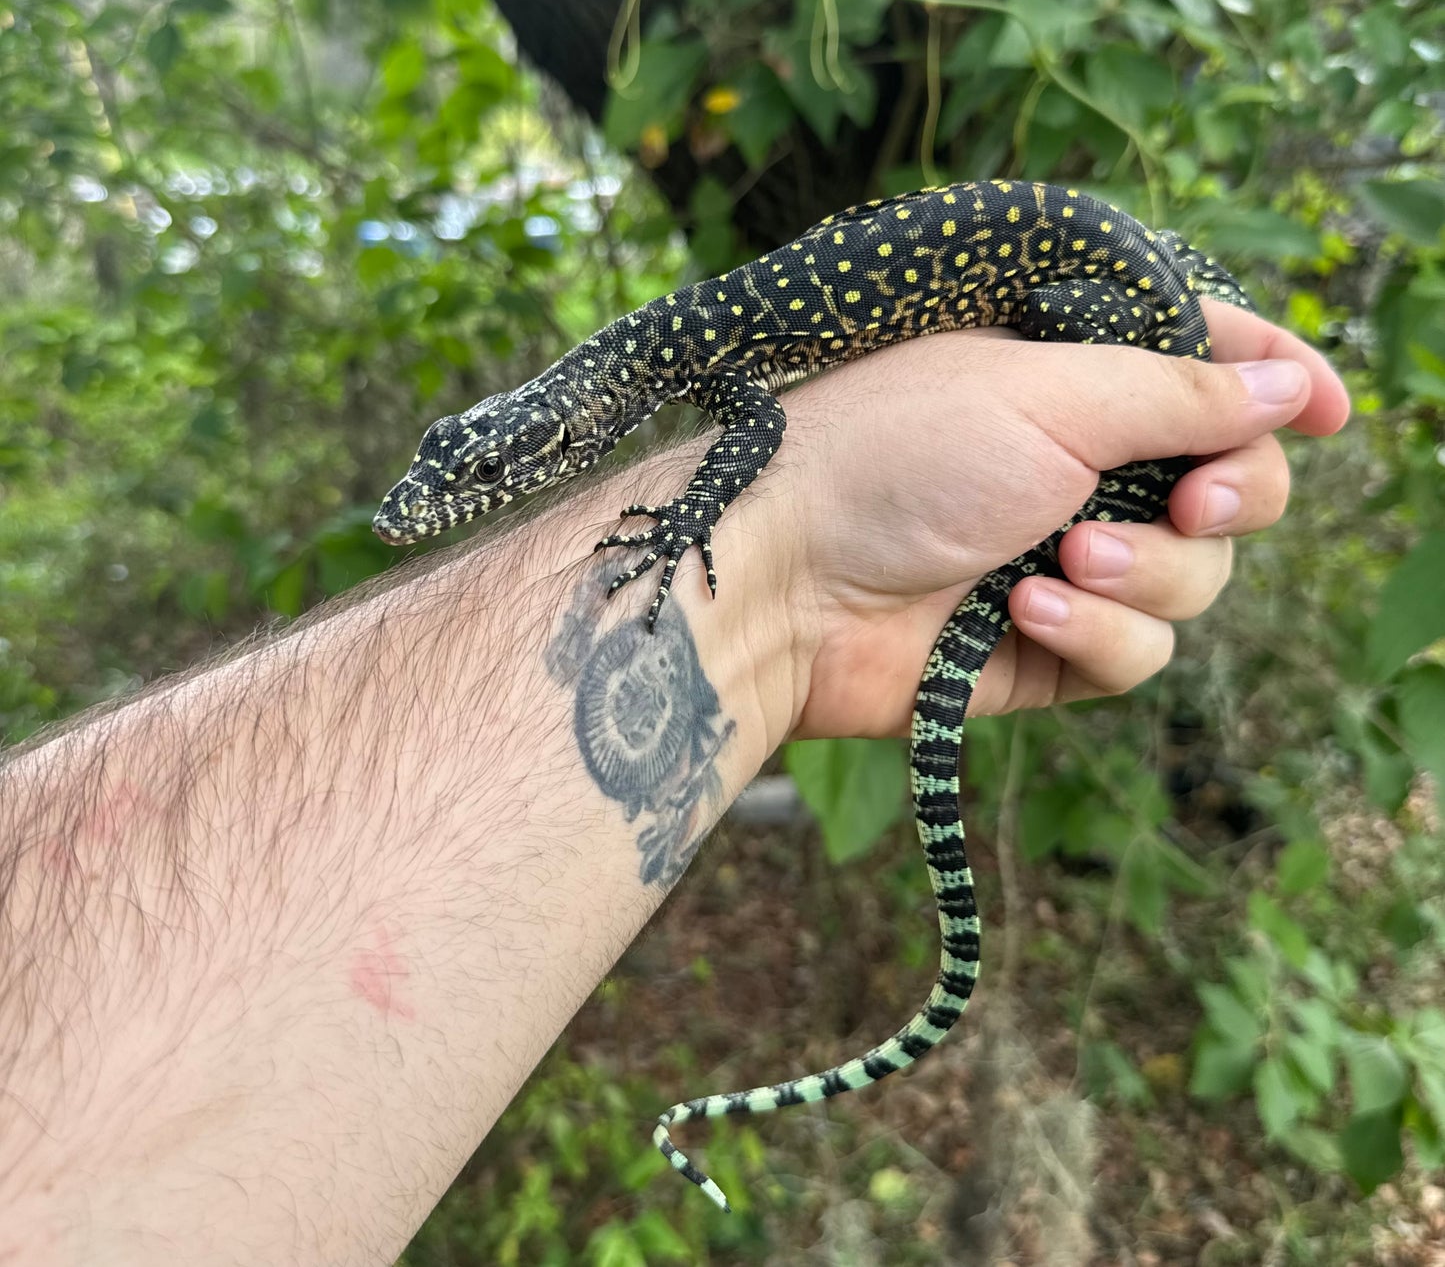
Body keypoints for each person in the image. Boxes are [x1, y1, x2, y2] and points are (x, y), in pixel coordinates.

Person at [0, 302, 1348, 1264]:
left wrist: (721, 537)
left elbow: (762, 434)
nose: (435, 499)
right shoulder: (694, 347)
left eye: (471, 469)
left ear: (544, 432)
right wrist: (775, 575)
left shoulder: (716, 364)